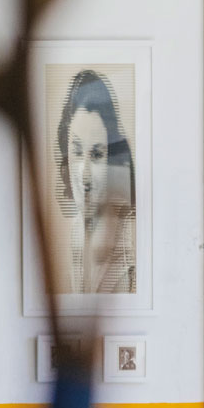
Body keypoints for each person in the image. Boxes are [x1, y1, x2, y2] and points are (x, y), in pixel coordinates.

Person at [54, 68, 136, 294]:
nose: (86, 175)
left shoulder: (126, 248)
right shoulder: (76, 232)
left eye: (97, 155)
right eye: (77, 152)